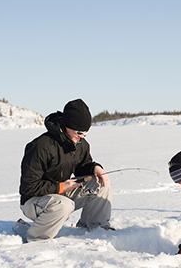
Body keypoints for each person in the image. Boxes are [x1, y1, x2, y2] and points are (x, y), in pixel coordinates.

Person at [19, 99, 112, 243]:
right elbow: (28, 187)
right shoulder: (40, 146)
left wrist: (95, 168)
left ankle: (95, 227)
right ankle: (37, 238)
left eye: (85, 134)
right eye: (79, 132)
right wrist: (61, 187)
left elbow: (83, 166)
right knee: (63, 205)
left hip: (61, 193)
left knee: (100, 182)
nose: (81, 137)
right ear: (66, 125)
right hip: (33, 200)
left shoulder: (79, 143)